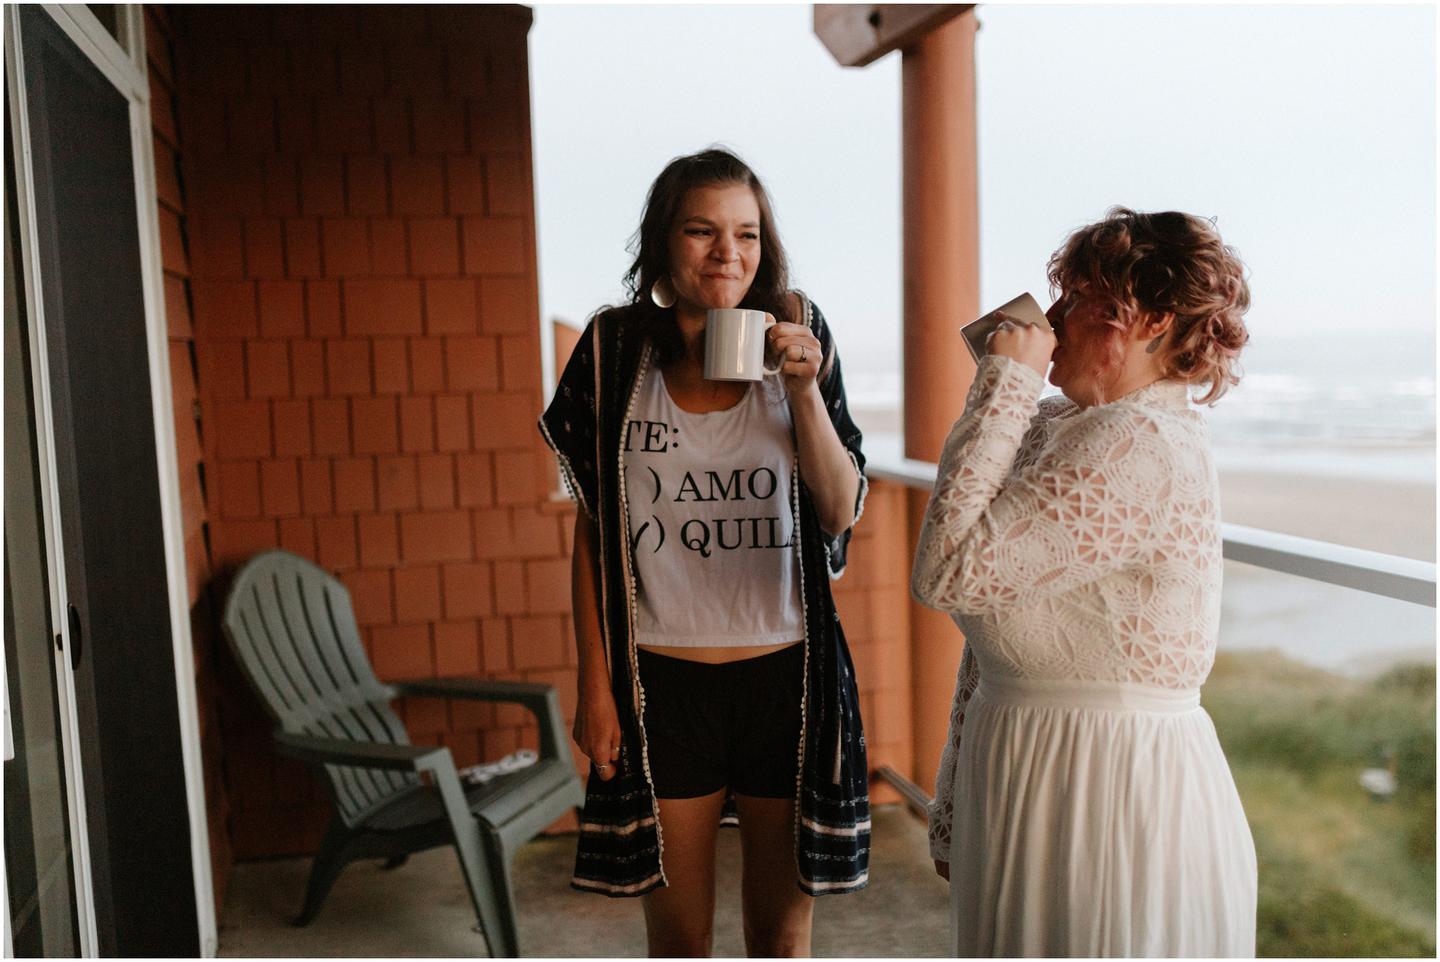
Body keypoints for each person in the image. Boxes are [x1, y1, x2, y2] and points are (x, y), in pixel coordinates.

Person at [538, 147, 870, 957]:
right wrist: (595, 686)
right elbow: (594, 530)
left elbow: (839, 508)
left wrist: (803, 391)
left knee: (780, 940)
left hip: (786, 679)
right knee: (680, 941)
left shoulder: (799, 333)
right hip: (661, 683)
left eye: (746, 233)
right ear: (663, 241)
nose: (728, 252)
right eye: (702, 231)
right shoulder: (615, 349)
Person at [912, 208, 1257, 957]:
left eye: (1080, 299)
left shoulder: (1139, 442)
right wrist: (954, 801)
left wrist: (1004, 381)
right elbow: (989, 637)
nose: (1053, 318)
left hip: (1106, 786)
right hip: (1025, 765)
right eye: (1058, 296)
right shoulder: (1059, 423)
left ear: (1154, 320)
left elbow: (947, 573)